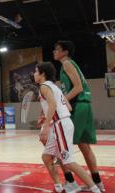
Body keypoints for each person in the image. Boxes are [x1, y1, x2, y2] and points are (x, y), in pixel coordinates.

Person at [34, 62, 101, 193]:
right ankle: (60, 187)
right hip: (62, 123)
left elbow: (53, 104)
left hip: (60, 125)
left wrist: (46, 125)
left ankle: (94, 188)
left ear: (42, 74)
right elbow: (68, 107)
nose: (34, 74)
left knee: (68, 161)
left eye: (36, 72)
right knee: (47, 157)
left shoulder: (43, 86)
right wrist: (47, 117)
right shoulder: (54, 87)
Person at [54, 41, 105, 192]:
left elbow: (78, 88)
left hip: (79, 105)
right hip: (84, 105)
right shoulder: (69, 64)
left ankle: (70, 181)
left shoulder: (67, 64)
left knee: (62, 145)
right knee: (84, 146)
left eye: (57, 49)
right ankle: (98, 183)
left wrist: (61, 102)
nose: (54, 51)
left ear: (65, 51)